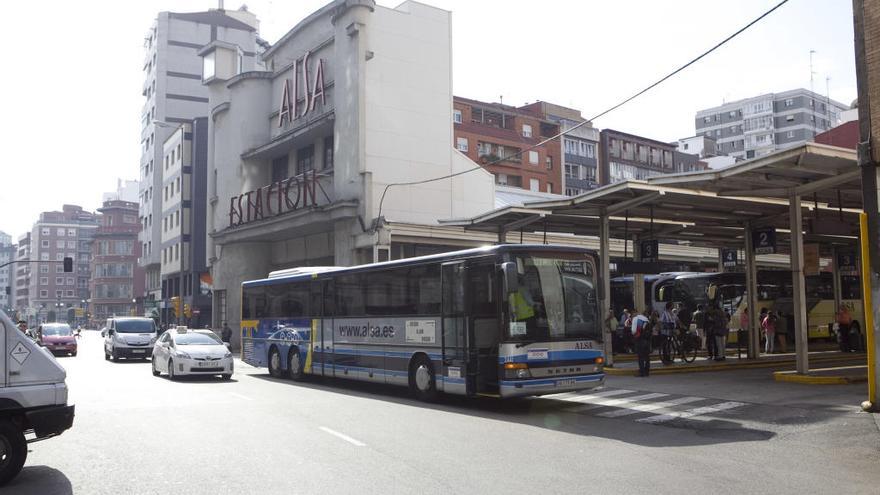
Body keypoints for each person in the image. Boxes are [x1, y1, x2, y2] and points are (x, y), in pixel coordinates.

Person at [631, 309, 653, 377]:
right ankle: (647, 372)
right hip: (647, 340)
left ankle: (642, 372)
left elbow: (633, 330)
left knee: (640, 357)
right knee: (647, 357)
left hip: (640, 340)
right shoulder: (646, 319)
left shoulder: (635, 319)